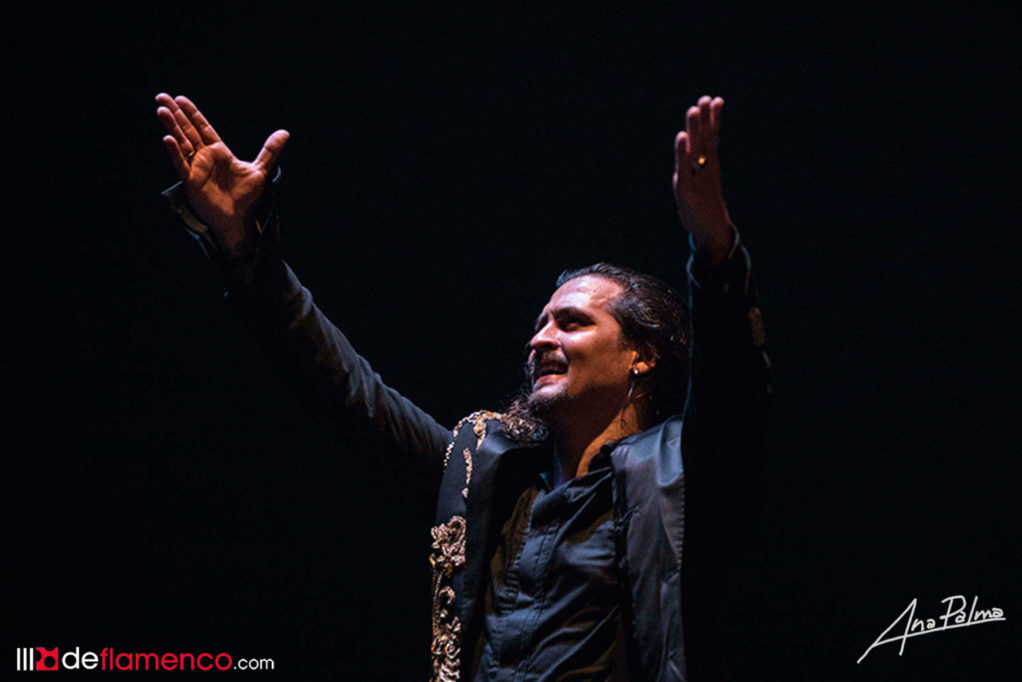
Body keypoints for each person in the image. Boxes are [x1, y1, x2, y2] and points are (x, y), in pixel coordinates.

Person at [156, 92, 770, 681]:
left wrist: (714, 251)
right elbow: (347, 395)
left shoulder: (679, 475)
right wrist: (245, 246)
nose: (540, 339)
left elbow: (734, 389)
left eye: (572, 323)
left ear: (643, 356)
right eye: (540, 323)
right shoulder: (486, 476)